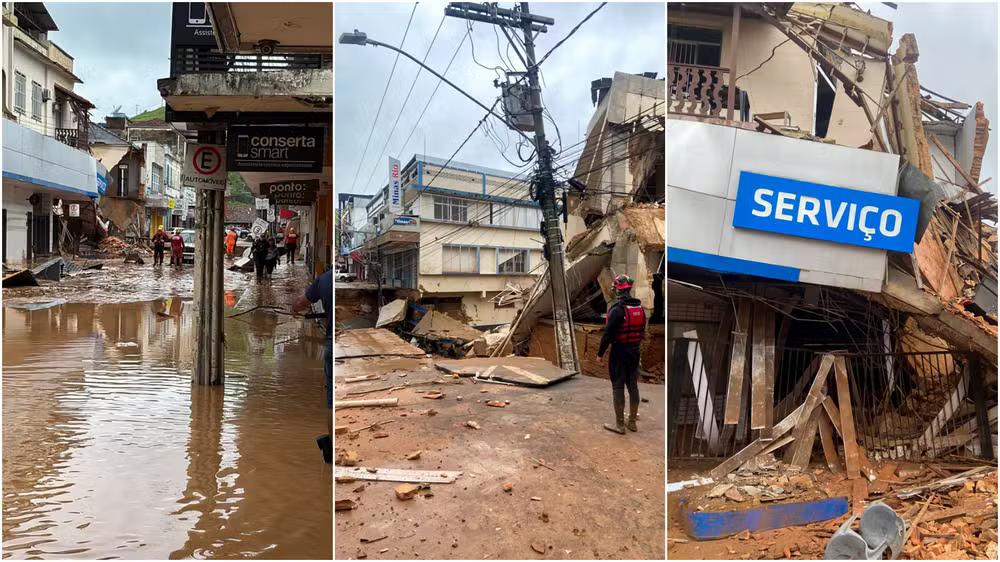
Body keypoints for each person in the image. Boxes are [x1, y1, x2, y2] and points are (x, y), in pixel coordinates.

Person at [597, 274, 647, 434]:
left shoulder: (617, 311)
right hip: (635, 352)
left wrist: (600, 354)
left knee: (618, 386)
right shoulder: (640, 309)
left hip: (619, 353)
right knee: (632, 385)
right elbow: (642, 332)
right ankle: (632, 423)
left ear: (617, 290)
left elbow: (607, 335)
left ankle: (619, 425)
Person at [293, 268, 333, 463]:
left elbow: (301, 303)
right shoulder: (327, 279)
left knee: (332, 399)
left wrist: (294, 309)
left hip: (333, 342)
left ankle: (332, 447)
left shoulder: (324, 279)